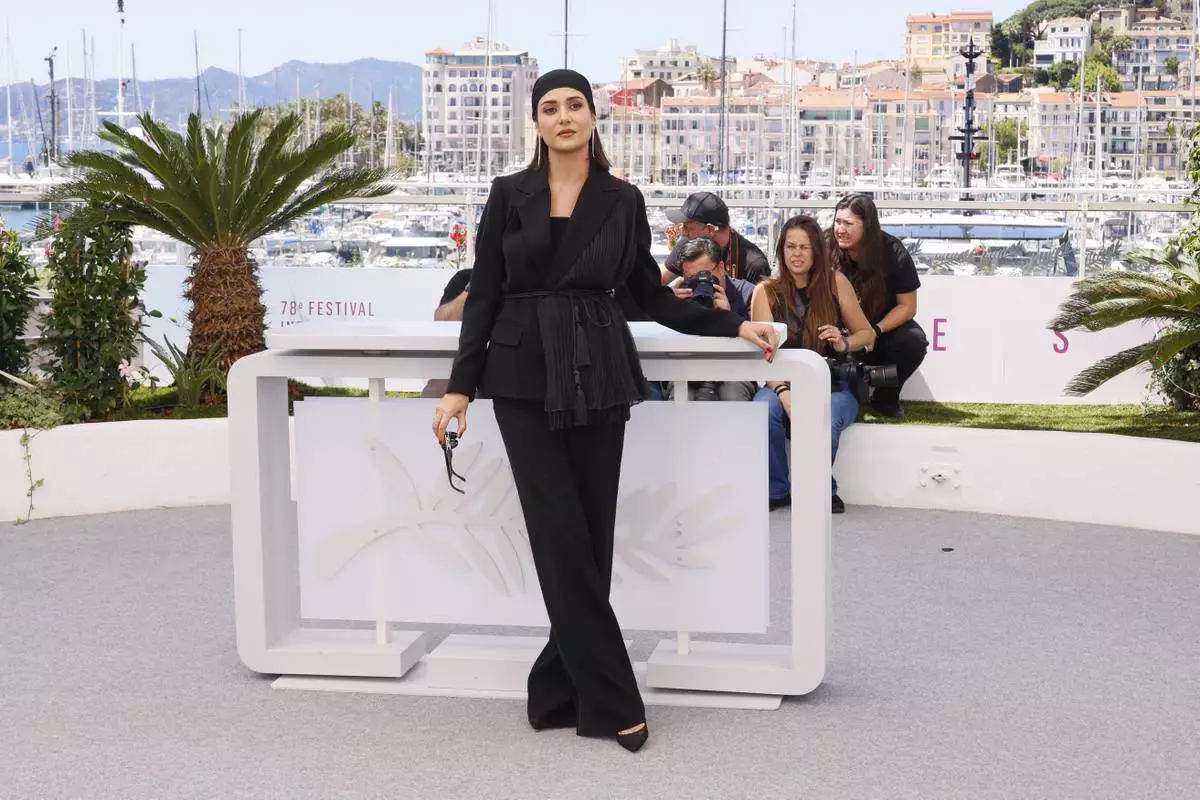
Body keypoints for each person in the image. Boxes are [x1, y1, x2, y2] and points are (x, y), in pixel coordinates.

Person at [431, 69, 778, 753]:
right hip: (522, 375)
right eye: (549, 107)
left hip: (598, 368)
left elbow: (648, 294)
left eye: (575, 105)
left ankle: (556, 689)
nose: (563, 116)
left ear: (593, 117)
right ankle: (615, 697)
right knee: (557, 532)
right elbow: (486, 294)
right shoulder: (507, 193)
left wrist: (732, 324)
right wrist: (460, 387)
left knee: (591, 538)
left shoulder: (623, 199)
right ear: (536, 122)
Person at [752, 215, 876, 514]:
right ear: (781, 250)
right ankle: (776, 489)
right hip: (781, 381)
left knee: (827, 416)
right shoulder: (765, 291)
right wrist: (783, 393)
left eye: (804, 247)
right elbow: (763, 355)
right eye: (790, 246)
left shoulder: (836, 283)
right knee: (764, 410)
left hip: (833, 383)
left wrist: (843, 342)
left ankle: (820, 488)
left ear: (816, 251)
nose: (796, 254)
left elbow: (867, 334)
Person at [829, 193, 928, 417]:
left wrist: (875, 331)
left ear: (867, 225)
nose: (840, 230)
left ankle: (886, 396)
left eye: (848, 223)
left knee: (913, 340)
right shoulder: (825, 246)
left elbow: (908, 307)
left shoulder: (893, 251)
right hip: (837, 333)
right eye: (837, 222)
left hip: (879, 332)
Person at [662, 236, 758, 402]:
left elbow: (756, 349)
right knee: (682, 394)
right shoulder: (681, 294)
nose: (698, 283)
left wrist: (729, 318)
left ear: (720, 268)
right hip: (689, 371)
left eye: (704, 275)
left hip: (735, 371)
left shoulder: (747, 294)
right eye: (690, 278)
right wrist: (675, 309)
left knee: (732, 392)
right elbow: (668, 348)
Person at [662, 191, 771, 285]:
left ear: (710, 229)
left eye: (688, 227)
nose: (683, 233)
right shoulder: (689, 243)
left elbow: (761, 302)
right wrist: (672, 296)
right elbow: (661, 279)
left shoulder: (753, 264)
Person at [421, 268, 474, 398]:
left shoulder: (518, 283)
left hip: (503, 361)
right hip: (464, 358)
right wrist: (473, 286)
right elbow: (443, 320)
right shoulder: (465, 277)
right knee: (435, 390)